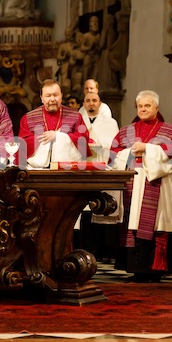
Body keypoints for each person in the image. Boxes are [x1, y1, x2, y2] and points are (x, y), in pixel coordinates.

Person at [110, 90, 172, 282]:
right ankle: (135, 269)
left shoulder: (169, 131)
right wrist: (129, 154)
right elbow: (113, 154)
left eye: (147, 105)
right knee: (132, 222)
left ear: (156, 108)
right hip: (134, 181)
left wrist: (147, 149)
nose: (143, 109)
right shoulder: (127, 131)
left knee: (154, 223)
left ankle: (154, 270)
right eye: (140, 106)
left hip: (154, 180)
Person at [75, 92, 121, 260]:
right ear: (84, 103)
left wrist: (100, 142)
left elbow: (115, 144)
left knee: (101, 204)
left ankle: (106, 249)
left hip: (102, 163)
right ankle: (87, 248)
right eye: (88, 101)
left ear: (100, 103)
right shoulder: (77, 120)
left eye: (94, 100)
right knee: (84, 205)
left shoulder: (110, 122)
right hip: (84, 164)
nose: (91, 104)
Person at [19, 79, 90, 168]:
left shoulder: (76, 117)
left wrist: (59, 137)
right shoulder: (28, 118)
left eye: (55, 95)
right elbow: (22, 144)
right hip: (36, 171)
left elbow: (83, 139)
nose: (52, 99)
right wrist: (44, 139)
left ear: (61, 96)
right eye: (48, 96)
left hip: (67, 171)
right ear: (42, 98)